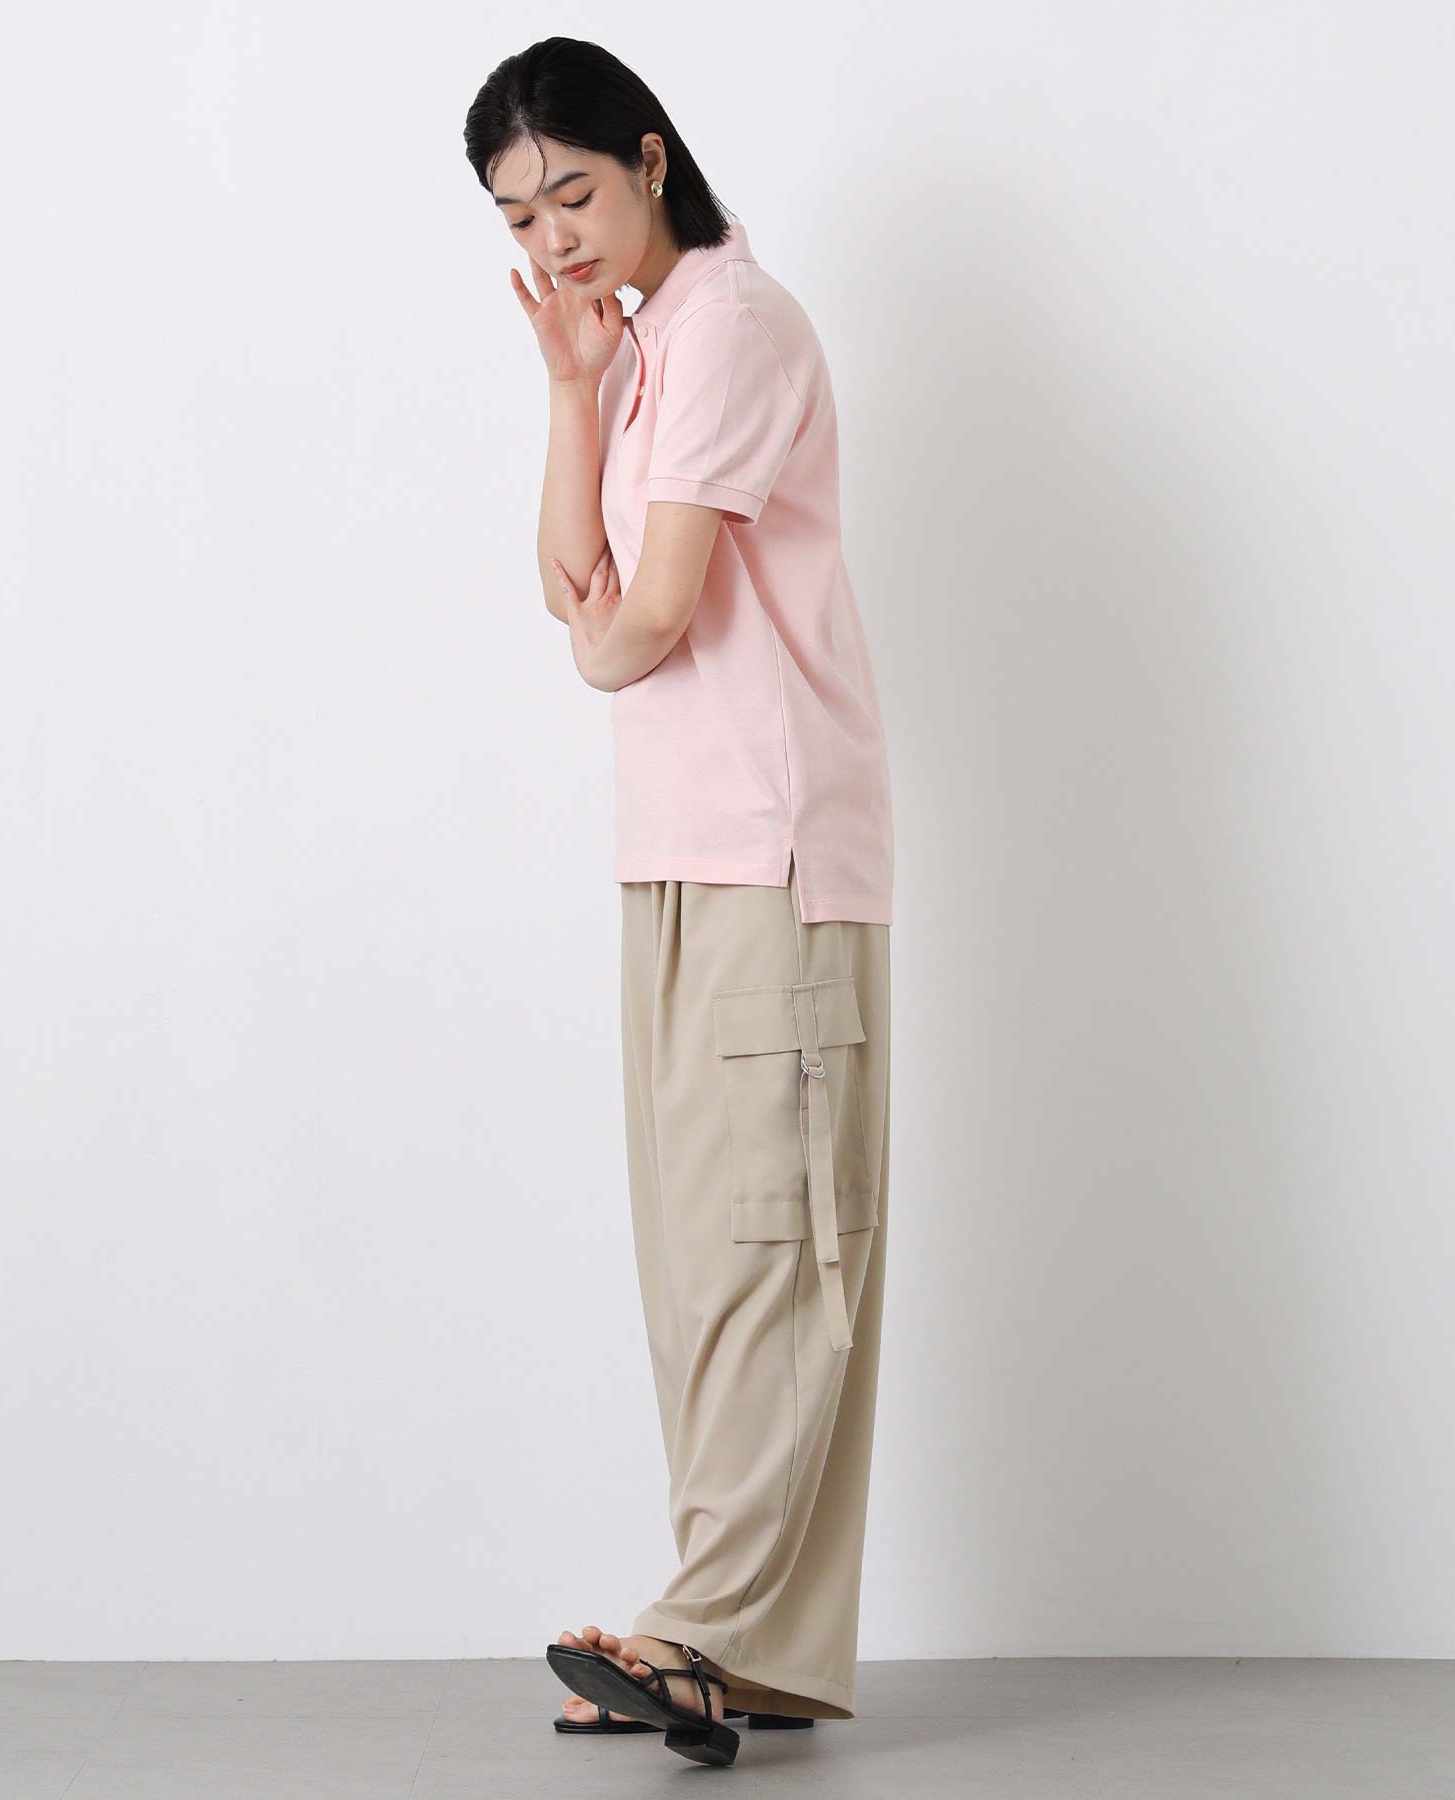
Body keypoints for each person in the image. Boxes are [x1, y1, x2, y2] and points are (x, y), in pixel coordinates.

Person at [465, 37, 895, 1768]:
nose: (553, 238)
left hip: (773, 850)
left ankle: (706, 1631)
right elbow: (572, 584)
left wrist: (606, 635)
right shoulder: (646, 348)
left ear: (651, 157)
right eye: (518, 217)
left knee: (768, 1254)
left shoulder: (732, 324)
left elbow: (639, 623)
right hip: (675, 846)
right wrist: (574, 388)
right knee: (704, 1261)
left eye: (572, 193)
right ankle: (748, 1646)